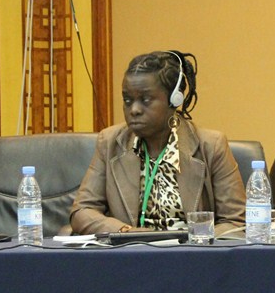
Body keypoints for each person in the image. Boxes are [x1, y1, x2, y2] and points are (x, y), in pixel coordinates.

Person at [70, 50, 246, 235]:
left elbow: (236, 221)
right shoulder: (110, 142)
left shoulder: (211, 145)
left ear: (174, 100)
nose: (134, 109)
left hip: (191, 251)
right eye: (127, 100)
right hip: (131, 250)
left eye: (145, 100)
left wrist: (191, 240)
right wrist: (125, 231)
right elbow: (82, 211)